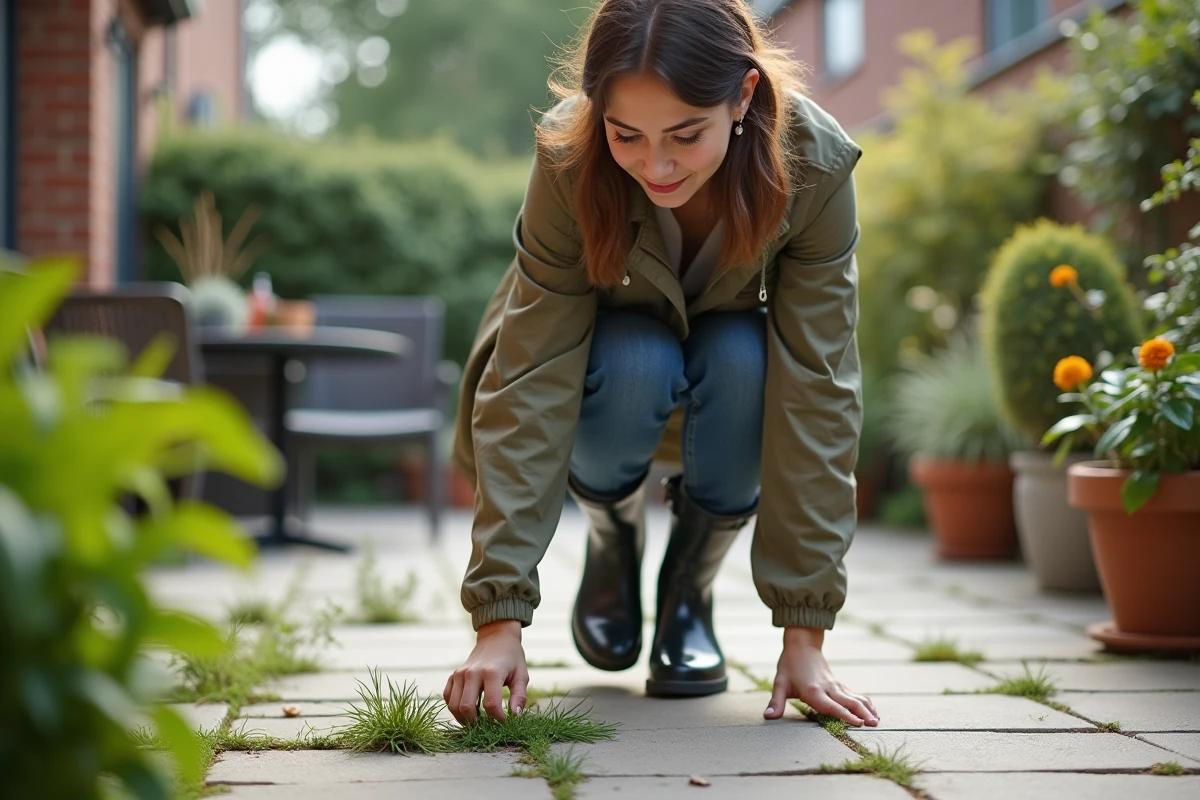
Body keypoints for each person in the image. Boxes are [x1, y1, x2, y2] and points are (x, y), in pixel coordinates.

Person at [443, 0, 879, 730]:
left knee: (746, 353)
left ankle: (690, 590)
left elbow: (820, 386)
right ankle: (613, 541)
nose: (657, 164)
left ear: (743, 96)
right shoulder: (569, 159)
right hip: (603, 390)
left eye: (685, 134)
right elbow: (533, 373)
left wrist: (806, 636)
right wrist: (498, 620)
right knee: (637, 354)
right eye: (627, 135)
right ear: (596, 111)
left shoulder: (814, 167)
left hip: (728, 406)